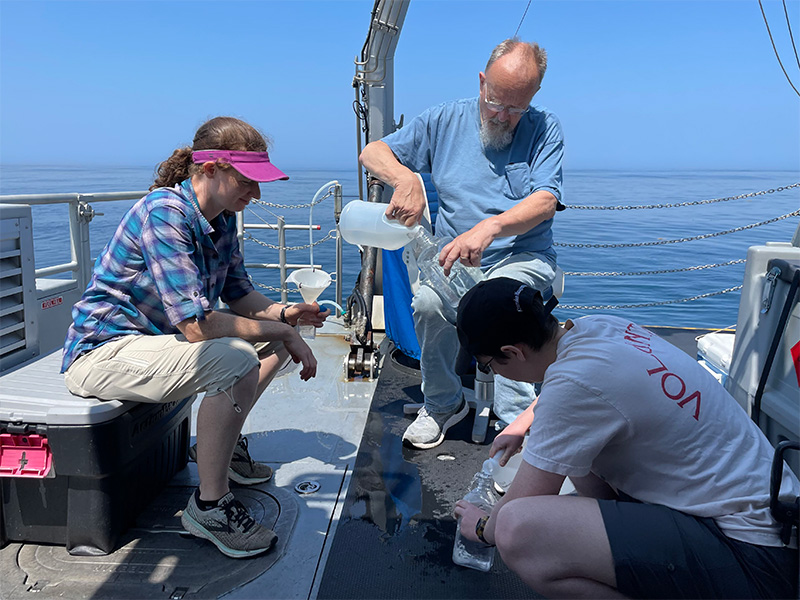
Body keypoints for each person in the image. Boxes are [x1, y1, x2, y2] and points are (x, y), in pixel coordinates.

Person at [61, 116, 329, 559]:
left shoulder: (221, 221)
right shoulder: (164, 212)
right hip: (103, 353)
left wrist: (286, 315)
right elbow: (195, 326)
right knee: (237, 356)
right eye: (247, 180)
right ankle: (209, 506)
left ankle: (224, 452)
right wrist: (281, 326)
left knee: (275, 341)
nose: (256, 193)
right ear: (208, 170)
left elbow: (239, 295)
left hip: (152, 347)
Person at [453, 277, 799, 599]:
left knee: (516, 530)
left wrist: (481, 527)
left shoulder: (573, 387)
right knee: (569, 449)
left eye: (488, 365)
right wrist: (523, 422)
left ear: (513, 353)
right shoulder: (597, 327)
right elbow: (578, 392)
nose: (491, 373)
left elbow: (517, 505)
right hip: (773, 520)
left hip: (754, 558)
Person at [359, 38, 565, 449]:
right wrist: (406, 180)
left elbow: (545, 201)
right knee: (428, 305)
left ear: (535, 95)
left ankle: (516, 422)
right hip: (455, 259)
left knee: (503, 303)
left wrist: (490, 229)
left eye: (515, 107)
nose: (503, 116)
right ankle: (442, 403)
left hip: (520, 255)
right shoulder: (443, 120)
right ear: (481, 81)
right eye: (495, 102)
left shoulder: (545, 128)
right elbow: (373, 151)